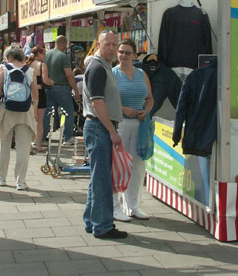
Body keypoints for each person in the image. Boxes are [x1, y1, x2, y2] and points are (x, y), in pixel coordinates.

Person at [82, 31, 128, 239]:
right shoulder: (98, 67)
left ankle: (92, 221)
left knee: (97, 178)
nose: (111, 49)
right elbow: (97, 102)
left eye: (114, 45)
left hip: (99, 128)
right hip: (99, 128)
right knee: (102, 180)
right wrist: (112, 131)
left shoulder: (102, 67)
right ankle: (103, 226)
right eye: (107, 44)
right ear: (99, 45)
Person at [112, 38, 154, 221]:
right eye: (121, 52)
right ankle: (115, 206)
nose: (123, 55)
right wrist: (123, 109)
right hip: (119, 124)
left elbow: (150, 98)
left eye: (128, 52)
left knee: (137, 166)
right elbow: (106, 101)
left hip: (139, 124)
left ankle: (133, 205)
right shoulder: (112, 74)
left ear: (135, 55)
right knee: (118, 165)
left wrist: (146, 111)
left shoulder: (141, 74)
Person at [0, 45, 38, 190]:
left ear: (9, 56)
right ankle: (21, 181)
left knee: (4, 145)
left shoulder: (3, 68)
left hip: (7, 110)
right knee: (23, 147)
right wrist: (34, 112)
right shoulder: (30, 71)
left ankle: (1, 177)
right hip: (25, 111)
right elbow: (35, 95)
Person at [42, 35, 80, 144]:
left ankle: (42, 137)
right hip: (61, 88)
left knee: (47, 113)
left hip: (48, 87)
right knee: (69, 112)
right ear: (64, 44)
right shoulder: (63, 56)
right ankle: (67, 137)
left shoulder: (46, 54)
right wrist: (75, 90)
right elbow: (69, 75)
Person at [26, 45, 50, 152]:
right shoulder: (42, 65)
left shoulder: (27, 64)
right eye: (44, 53)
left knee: (29, 119)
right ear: (39, 54)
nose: (45, 56)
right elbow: (45, 80)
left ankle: (29, 145)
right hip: (39, 93)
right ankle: (38, 145)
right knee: (39, 121)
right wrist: (52, 82)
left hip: (28, 93)